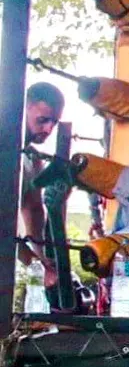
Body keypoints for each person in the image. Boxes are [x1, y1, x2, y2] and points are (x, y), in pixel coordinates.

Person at [19, 82, 65, 288]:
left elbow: (33, 207)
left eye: (54, 122)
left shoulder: (32, 157)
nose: (48, 129)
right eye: (43, 120)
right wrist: (21, 251)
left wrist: (42, 260)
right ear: (24, 108)